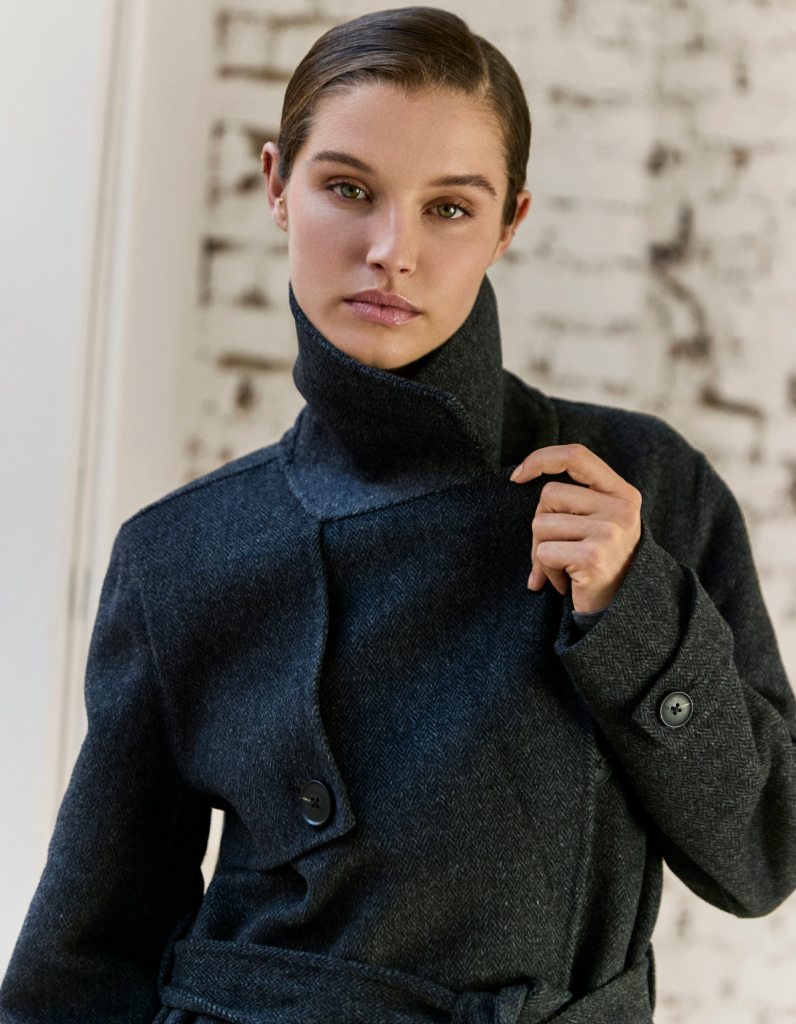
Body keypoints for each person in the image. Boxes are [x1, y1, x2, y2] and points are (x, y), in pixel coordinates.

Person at [2, 7, 795, 1023]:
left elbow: (762, 856)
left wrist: (630, 611)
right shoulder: (180, 553)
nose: (391, 249)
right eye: (347, 188)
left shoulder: (638, 487)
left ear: (510, 223)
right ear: (276, 186)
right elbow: (85, 954)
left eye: (449, 208)